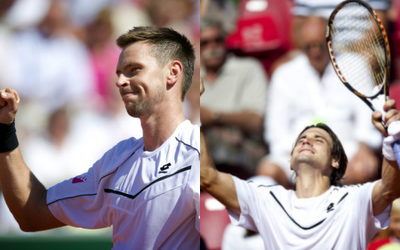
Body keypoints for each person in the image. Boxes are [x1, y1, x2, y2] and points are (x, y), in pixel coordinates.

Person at [0, 26, 200, 249]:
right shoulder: (117, 160)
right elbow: (32, 214)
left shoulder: (201, 154)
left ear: (172, 72)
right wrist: (4, 130)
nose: (120, 81)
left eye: (134, 69)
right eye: (119, 73)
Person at [200, 94, 400, 248]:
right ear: (291, 162)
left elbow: (390, 188)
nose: (306, 140)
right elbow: (207, 176)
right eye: (301, 140)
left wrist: (392, 139)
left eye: (318, 139)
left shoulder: (354, 199)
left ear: (335, 161)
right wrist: (196, 116)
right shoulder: (266, 200)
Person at [258, 15, 382, 187]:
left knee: (363, 168)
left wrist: (365, 146)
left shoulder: (355, 64)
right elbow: (275, 130)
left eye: (320, 45)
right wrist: (299, 155)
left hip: (344, 150)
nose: (315, 51)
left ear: (330, 41)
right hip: (297, 152)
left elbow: (368, 117)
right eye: (309, 46)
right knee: (268, 172)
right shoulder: (285, 74)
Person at [200, 17, 268, 177]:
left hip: (243, 149)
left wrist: (214, 116)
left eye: (217, 40)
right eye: (205, 43)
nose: (212, 47)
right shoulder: (191, 76)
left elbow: (255, 120)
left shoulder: (248, 68)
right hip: (204, 151)